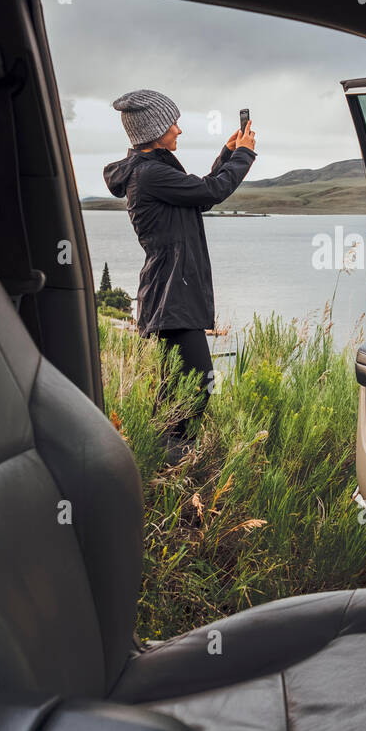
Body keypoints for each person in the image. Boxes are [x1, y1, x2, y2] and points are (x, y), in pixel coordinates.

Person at [103, 89, 256, 457]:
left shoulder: (154, 171)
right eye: (173, 123)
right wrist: (245, 154)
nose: (179, 131)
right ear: (154, 131)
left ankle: (159, 459)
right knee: (198, 384)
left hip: (172, 292)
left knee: (178, 387)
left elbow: (200, 195)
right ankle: (172, 457)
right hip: (171, 294)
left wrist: (227, 153)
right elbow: (214, 189)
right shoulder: (151, 174)